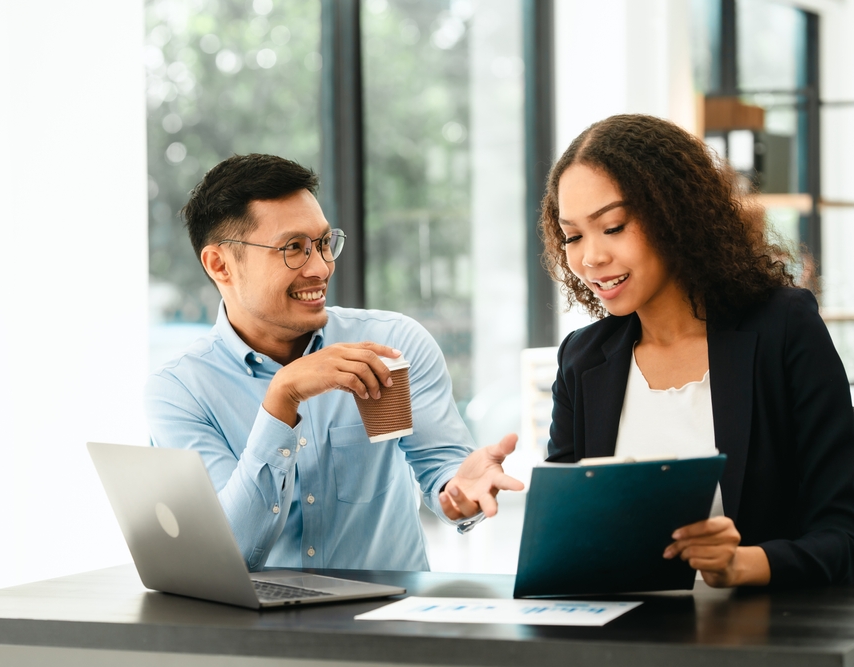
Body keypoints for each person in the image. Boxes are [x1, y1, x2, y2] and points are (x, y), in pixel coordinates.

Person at [145, 153, 523, 572]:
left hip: (389, 620)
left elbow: (444, 474)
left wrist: (458, 494)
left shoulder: (389, 347)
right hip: (260, 631)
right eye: (294, 249)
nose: (321, 268)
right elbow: (230, 554)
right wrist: (281, 399)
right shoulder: (181, 392)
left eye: (323, 243)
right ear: (220, 265)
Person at [541, 114, 854, 588]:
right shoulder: (584, 360)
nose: (591, 258)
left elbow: (843, 532)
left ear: (676, 213)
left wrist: (742, 564)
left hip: (761, 644)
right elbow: (568, 544)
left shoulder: (782, 328)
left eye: (614, 226)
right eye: (573, 235)